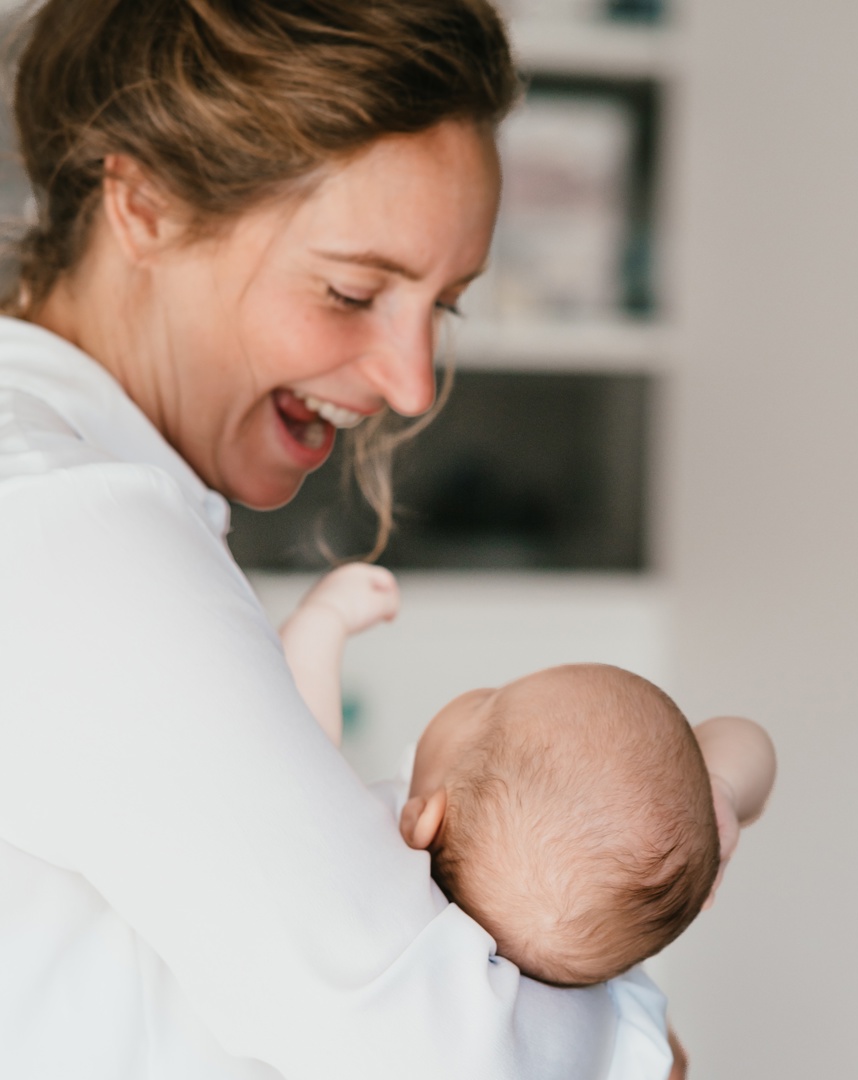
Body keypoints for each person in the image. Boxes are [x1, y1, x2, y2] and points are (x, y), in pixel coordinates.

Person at [0, 0, 752, 1077]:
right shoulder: (69, 527)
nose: (410, 383)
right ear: (146, 205)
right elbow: (437, 1049)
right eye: (353, 291)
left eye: (443, 307)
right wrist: (637, 1040)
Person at [279, 565, 777, 990]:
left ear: (422, 820)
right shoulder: (604, 945)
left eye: (487, 699)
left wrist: (324, 621)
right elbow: (747, 740)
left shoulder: (385, 884)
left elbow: (297, 746)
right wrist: (721, 789)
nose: (476, 688)